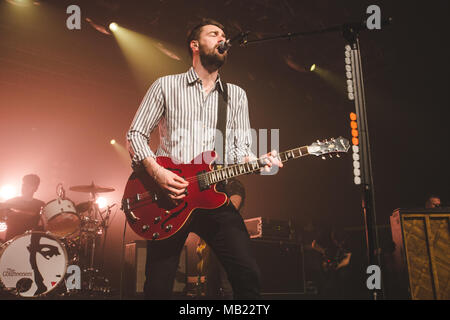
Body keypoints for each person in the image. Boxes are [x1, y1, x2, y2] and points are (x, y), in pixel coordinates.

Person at [126, 18, 282, 299]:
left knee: (248, 276)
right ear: (195, 45)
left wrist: (260, 162)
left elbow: (237, 152)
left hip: (214, 196)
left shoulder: (236, 95)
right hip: (168, 197)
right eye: (214, 34)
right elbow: (135, 134)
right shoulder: (166, 85)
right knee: (158, 286)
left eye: (224, 35)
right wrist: (158, 173)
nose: (223, 39)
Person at [1, 174, 45, 241]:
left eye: (29, 185)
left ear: (36, 188)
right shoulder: (10, 202)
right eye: (24, 184)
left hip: (31, 244)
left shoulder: (40, 205)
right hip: (11, 243)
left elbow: (46, 226)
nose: (25, 187)